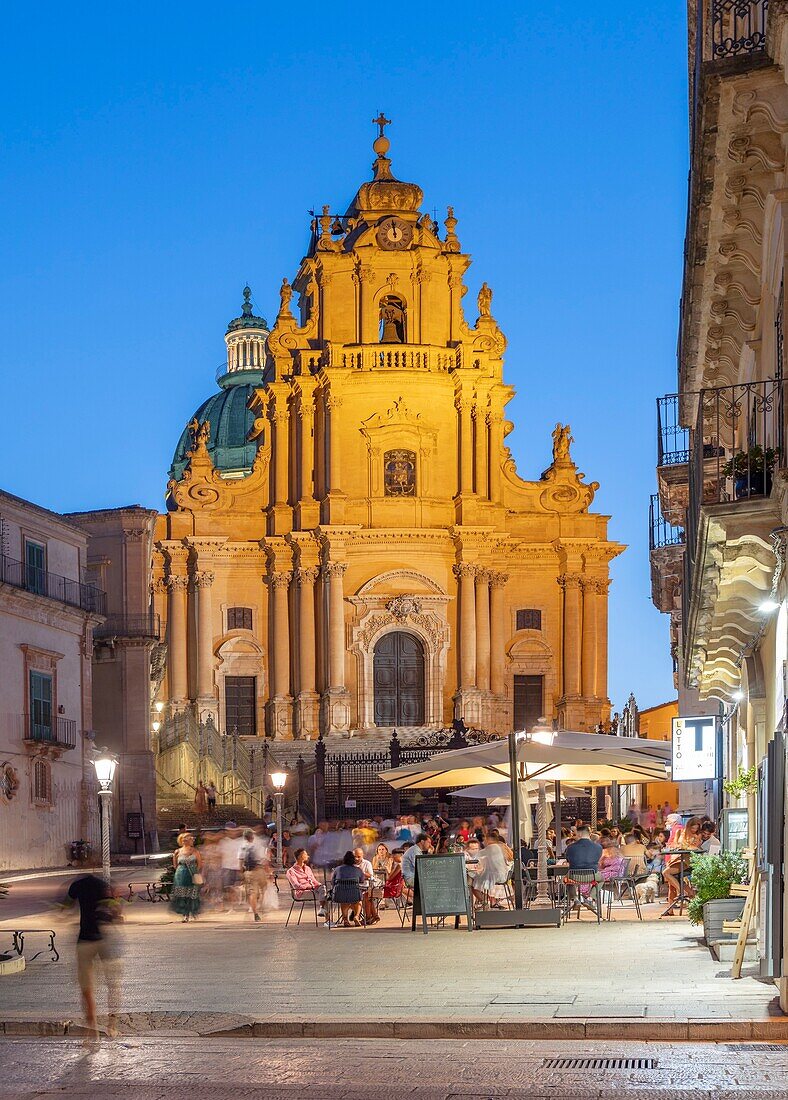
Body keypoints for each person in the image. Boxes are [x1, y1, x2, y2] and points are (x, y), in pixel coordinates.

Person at [67, 874, 124, 1045]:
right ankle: (110, 1026)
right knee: (111, 984)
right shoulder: (104, 885)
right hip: (104, 939)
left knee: (88, 988)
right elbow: (117, 913)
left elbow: (64, 907)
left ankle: (94, 1031)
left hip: (86, 939)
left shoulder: (77, 884)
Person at [472, 830, 512, 909]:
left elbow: (477, 856)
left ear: (489, 839)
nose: (485, 841)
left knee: (473, 884)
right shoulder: (500, 847)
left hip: (496, 876)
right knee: (480, 880)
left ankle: (484, 902)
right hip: (503, 875)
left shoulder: (491, 847)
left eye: (486, 839)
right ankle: (491, 901)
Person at [286, 848, 328, 922]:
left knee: (324, 890)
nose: (307, 856)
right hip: (301, 892)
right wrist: (310, 887)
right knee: (325, 897)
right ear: (299, 857)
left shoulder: (308, 868)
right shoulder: (291, 871)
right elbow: (296, 885)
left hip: (313, 890)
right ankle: (327, 921)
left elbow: (314, 881)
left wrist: (319, 885)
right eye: (305, 854)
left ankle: (322, 909)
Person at [238, 827, 270, 922]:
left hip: (249, 872)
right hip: (259, 870)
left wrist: (242, 874)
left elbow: (240, 862)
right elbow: (264, 860)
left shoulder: (242, 847)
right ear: (252, 837)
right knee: (263, 889)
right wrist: (268, 872)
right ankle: (261, 906)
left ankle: (255, 913)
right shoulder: (257, 846)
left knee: (252, 893)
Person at [170, 833, 202, 922]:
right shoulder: (177, 851)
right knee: (182, 894)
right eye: (184, 838)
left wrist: (195, 872)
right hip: (181, 874)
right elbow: (175, 865)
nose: (186, 840)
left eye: (188, 838)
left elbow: (199, 864)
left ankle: (192, 911)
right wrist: (180, 871)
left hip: (192, 874)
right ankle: (185, 914)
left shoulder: (195, 851)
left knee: (191, 894)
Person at [331, 850, 365, 926]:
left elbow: (332, 881)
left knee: (344, 902)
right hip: (354, 894)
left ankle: (345, 920)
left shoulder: (338, 869)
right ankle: (356, 916)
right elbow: (362, 880)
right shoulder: (358, 870)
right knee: (359, 901)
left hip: (340, 894)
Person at [354, 846, 378, 924]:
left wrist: (361, 872)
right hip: (353, 886)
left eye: (358, 857)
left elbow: (371, 875)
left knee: (366, 896)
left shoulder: (367, 863)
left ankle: (368, 917)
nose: (356, 858)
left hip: (364, 886)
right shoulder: (350, 864)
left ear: (362, 856)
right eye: (355, 856)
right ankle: (373, 916)